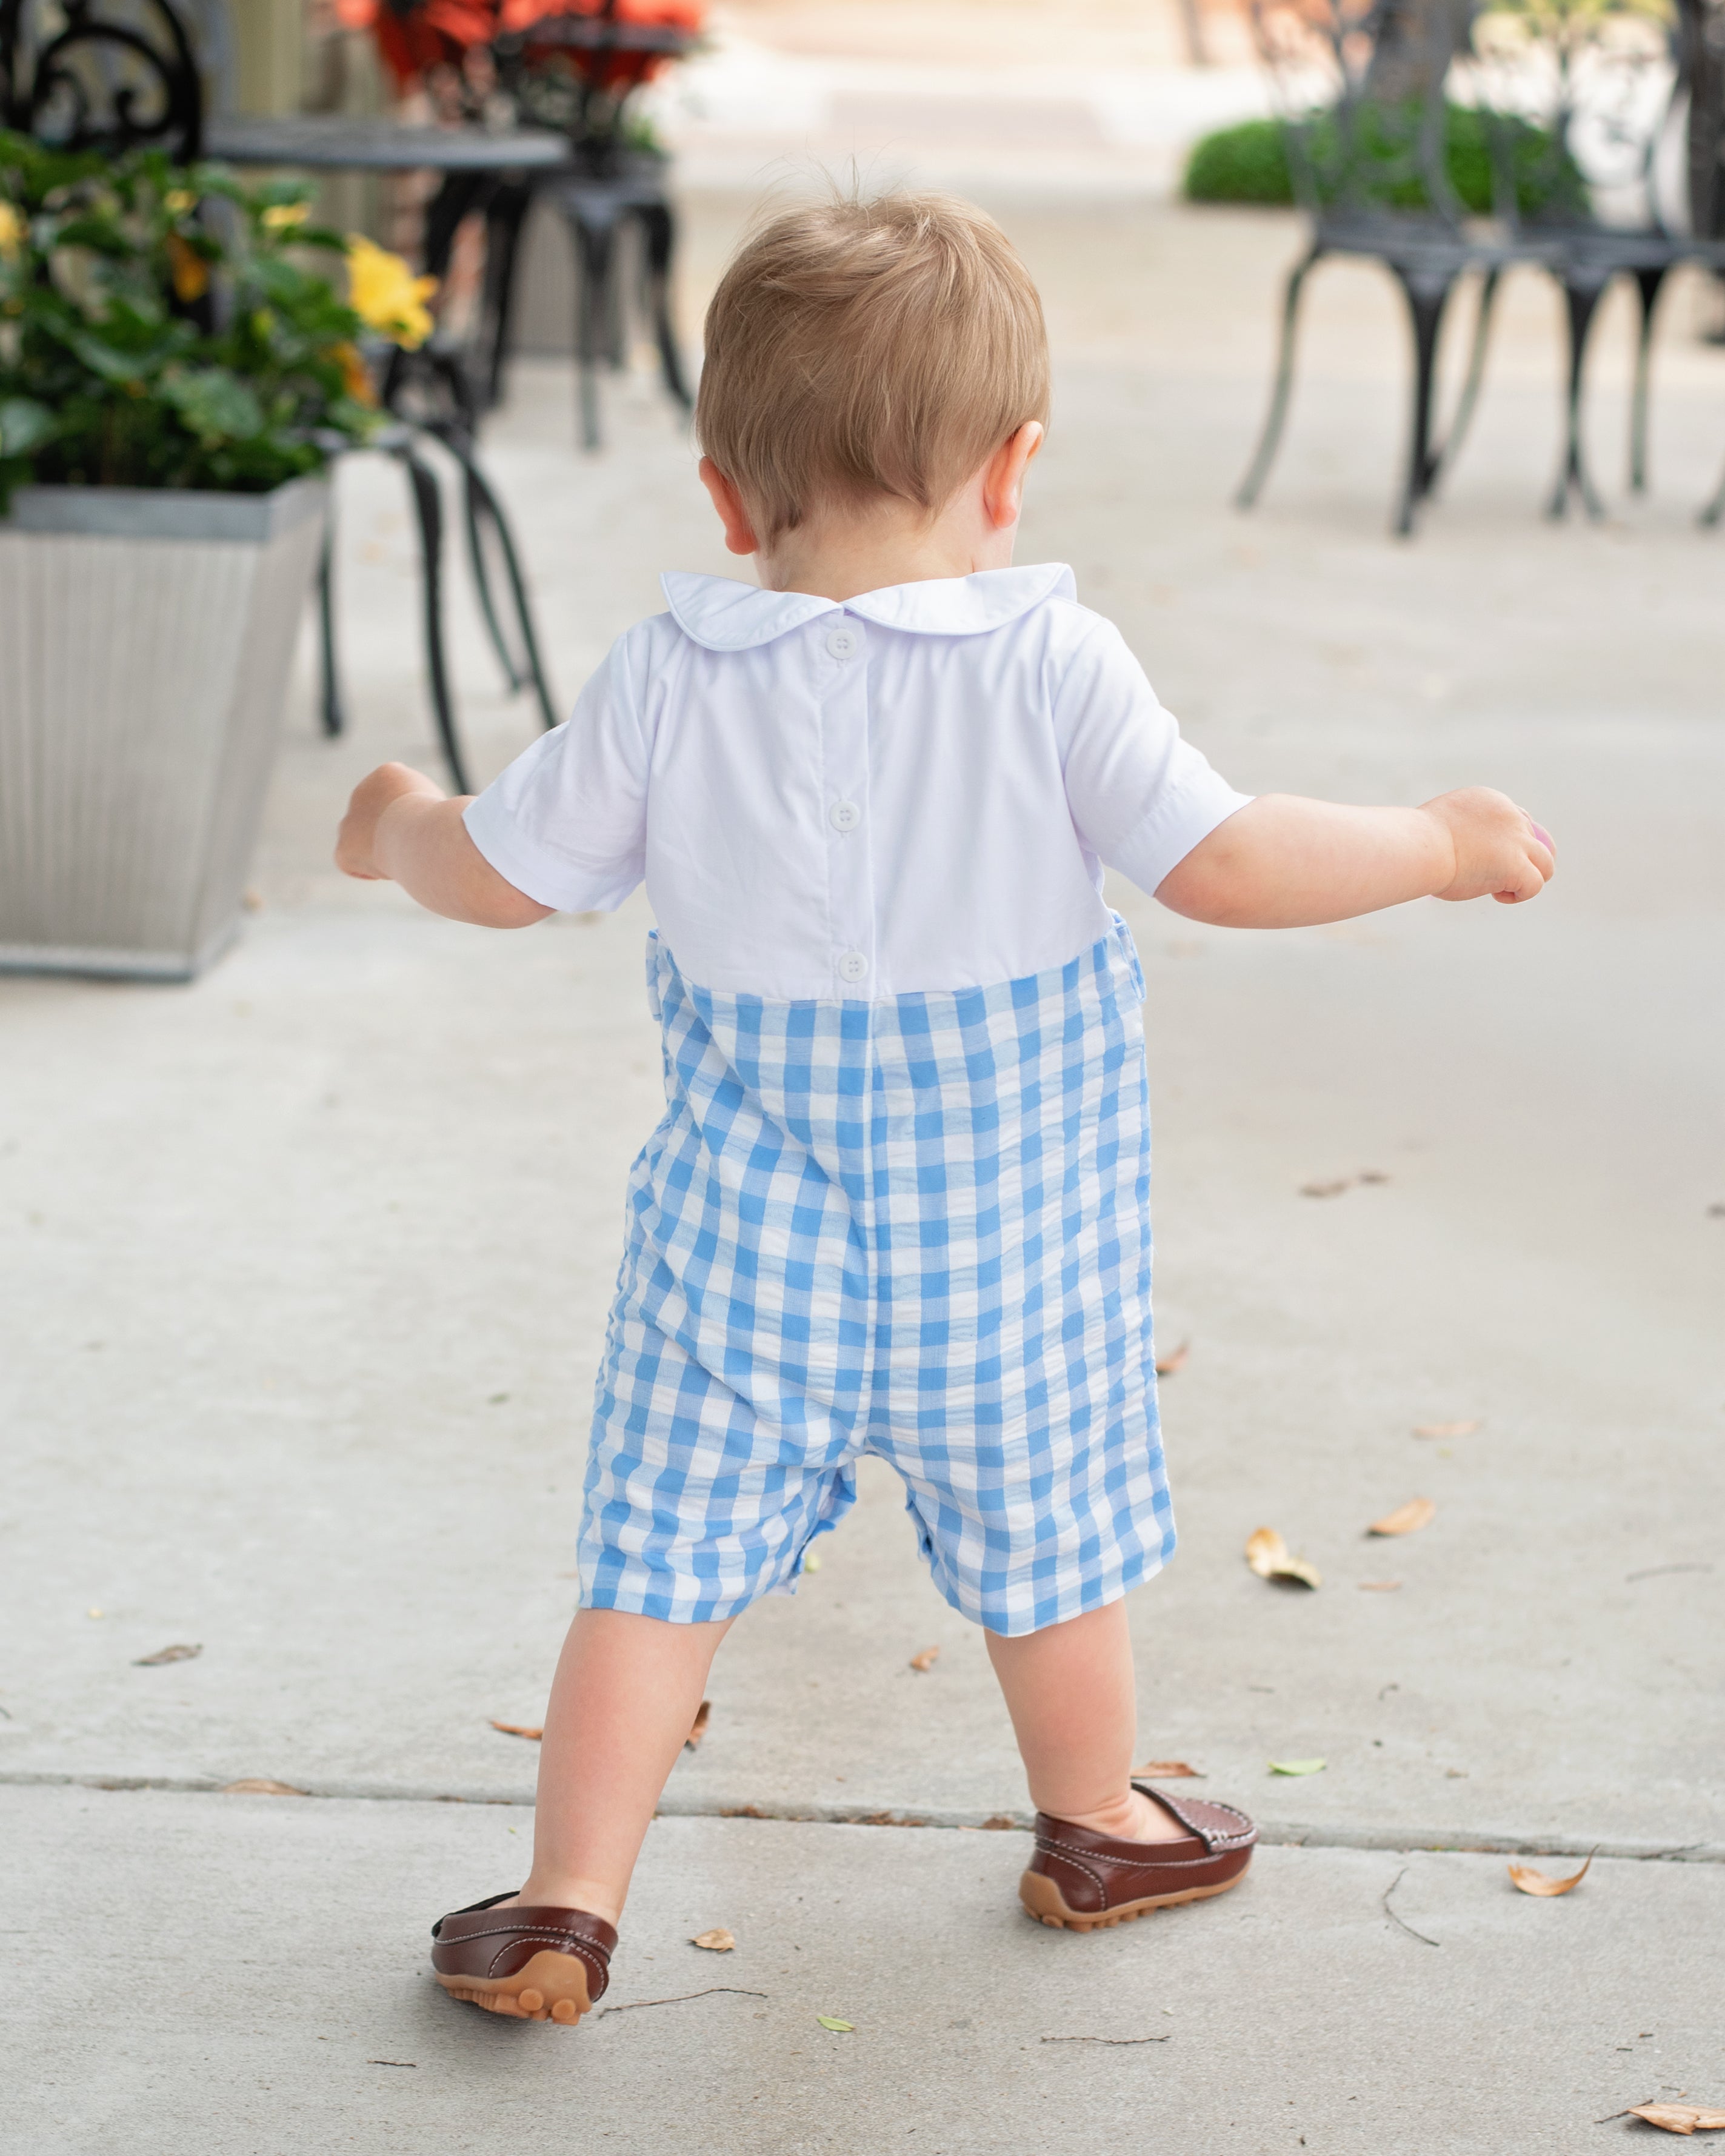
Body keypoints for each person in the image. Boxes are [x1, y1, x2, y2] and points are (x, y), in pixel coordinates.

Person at [335, 190, 1555, 2028]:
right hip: (1011, 1250)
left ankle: (567, 1905)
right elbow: (1223, 864)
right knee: (1052, 1539)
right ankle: (1098, 1824)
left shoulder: (673, 681)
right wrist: (1441, 843)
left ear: (728, 500)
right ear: (1014, 472)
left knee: (657, 1569)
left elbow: (508, 876)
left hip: (749, 1250)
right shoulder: (1053, 664)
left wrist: (399, 821)